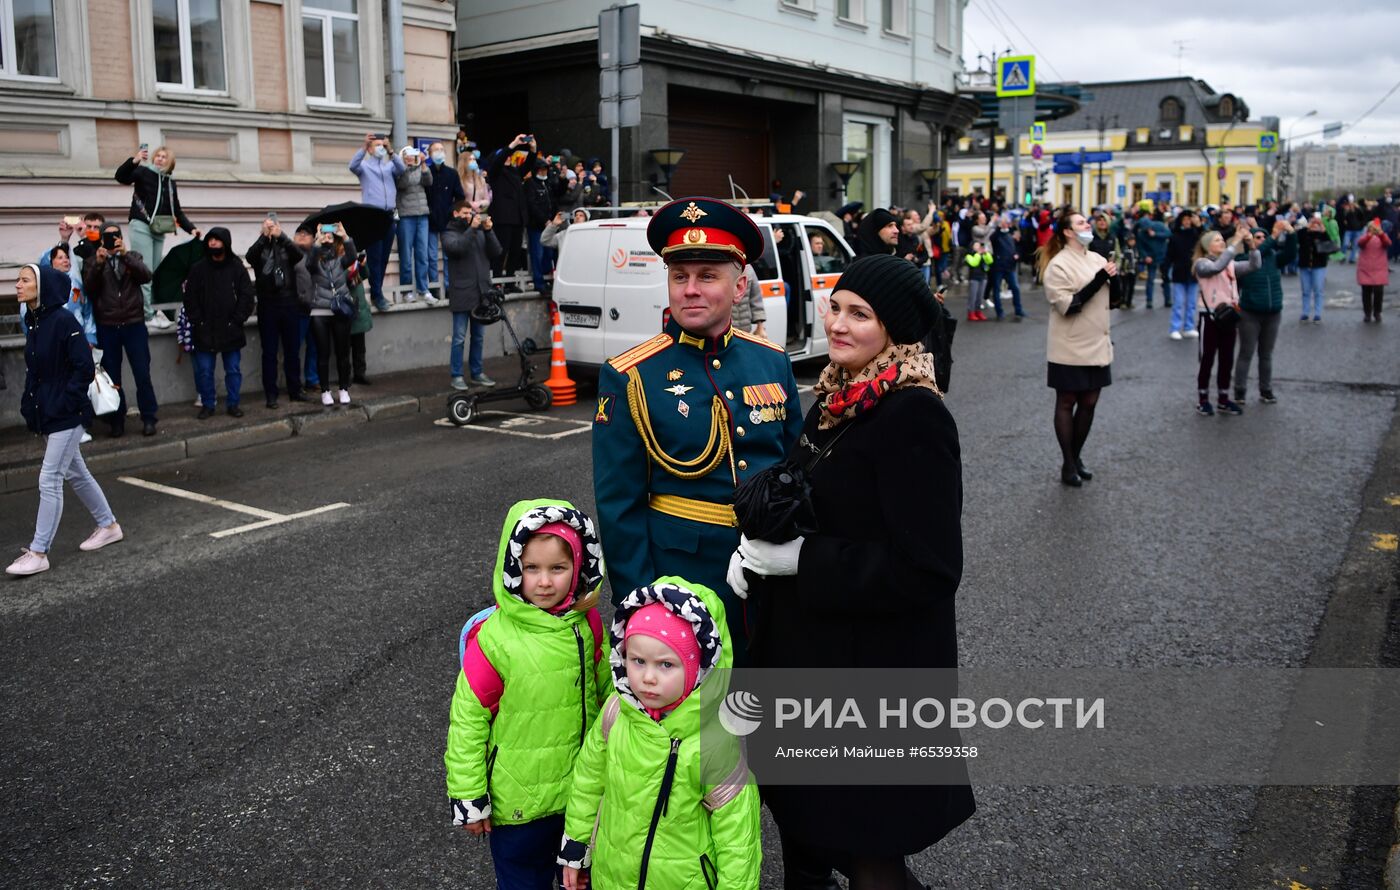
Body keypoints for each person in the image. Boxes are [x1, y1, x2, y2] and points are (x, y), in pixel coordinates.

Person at [729, 252, 973, 889]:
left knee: (869, 855)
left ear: (894, 331)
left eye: (859, 314)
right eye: (835, 306)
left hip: (871, 677)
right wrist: (760, 542)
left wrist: (801, 560)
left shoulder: (913, 415)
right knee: (813, 830)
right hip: (821, 660)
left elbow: (930, 569)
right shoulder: (843, 393)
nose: (837, 323)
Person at [591, 197, 803, 665]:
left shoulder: (770, 361)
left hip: (771, 579)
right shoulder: (631, 376)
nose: (690, 289)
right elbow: (619, 508)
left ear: (740, 285)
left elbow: (796, 470)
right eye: (679, 276)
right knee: (697, 733)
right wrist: (640, 609)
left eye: (708, 276)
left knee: (775, 716)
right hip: (684, 586)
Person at [446, 499, 608, 890]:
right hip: (518, 807)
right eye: (531, 568)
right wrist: (469, 796)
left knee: (583, 881)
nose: (544, 581)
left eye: (558, 568)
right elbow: (468, 719)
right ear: (513, 566)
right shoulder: (495, 640)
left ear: (579, 568)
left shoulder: (587, 626)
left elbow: (607, 699)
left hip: (580, 800)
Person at [557, 577, 760, 890]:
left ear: (699, 669)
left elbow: (738, 840)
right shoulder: (616, 713)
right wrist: (575, 847)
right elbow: (588, 781)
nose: (648, 678)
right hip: (612, 876)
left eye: (666, 665)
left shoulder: (715, 744)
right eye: (638, 661)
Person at [9, 266, 122, 577]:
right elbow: (38, 372)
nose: (17, 285)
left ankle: (39, 551)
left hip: (67, 414)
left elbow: (84, 367)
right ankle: (109, 525)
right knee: (76, 472)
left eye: (24, 280)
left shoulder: (62, 320)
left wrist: (65, 400)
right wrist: (31, 404)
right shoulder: (35, 321)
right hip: (50, 412)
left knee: (49, 478)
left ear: (42, 287)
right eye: (18, 280)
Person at [1040, 209, 1115, 487]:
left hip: (1097, 341)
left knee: (1089, 403)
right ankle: (1068, 463)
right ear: (1068, 232)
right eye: (1081, 223)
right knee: (1067, 401)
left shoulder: (1096, 258)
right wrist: (1099, 279)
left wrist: (1115, 278)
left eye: (1087, 222)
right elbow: (1069, 306)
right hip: (1069, 345)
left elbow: (1113, 300)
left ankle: (1076, 456)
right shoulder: (1058, 265)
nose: (1088, 226)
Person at [83, 223, 158, 438]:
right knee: (113, 377)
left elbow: (146, 276)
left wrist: (125, 255)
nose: (112, 239)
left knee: (142, 373)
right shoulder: (93, 261)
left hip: (134, 324)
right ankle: (117, 421)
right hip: (108, 326)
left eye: (115, 235)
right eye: (107, 236)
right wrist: (98, 264)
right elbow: (90, 289)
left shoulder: (133, 256)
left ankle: (149, 418)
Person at [115, 146, 200, 329]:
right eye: (158, 156)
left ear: (170, 162)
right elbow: (121, 177)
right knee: (143, 269)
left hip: (159, 229)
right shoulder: (143, 172)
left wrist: (191, 229)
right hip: (141, 225)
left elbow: (177, 211)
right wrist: (134, 160)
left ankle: (151, 309)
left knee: (152, 272)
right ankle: (147, 314)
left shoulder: (170, 183)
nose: (160, 159)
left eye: (164, 157)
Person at [183, 227, 255, 419]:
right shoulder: (198, 268)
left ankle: (233, 404)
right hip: (205, 330)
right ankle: (208, 404)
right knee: (205, 371)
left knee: (233, 370)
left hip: (231, 329)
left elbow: (247, 295)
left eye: (217, 240)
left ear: (226, 243)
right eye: (210, 240)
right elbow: (190, 298)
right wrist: (198, 322)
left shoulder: (236, 267)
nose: (213, 243)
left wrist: (237, 320)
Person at [1193, 228, 1258, 416]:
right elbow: (1215, 268)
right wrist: (1234, 243)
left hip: (1229, 316)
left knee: (1227, 358)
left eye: (1222, 240)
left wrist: (1251, 245)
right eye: (1217, 240)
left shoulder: (1229, 263)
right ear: (1207, 246)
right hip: (1210, 317)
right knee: (1207, 359)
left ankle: (1223, 398)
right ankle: (1203, 399)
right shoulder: (1201, 263)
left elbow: (1254, 265)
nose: (1221, 242)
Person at [246, 216, 307, 408]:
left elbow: (298, 255)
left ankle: (295, 390)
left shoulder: (286, 247)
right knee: (269, 353)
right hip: (268, 305)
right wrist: (263, 238)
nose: (272, 228)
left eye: (274, 225)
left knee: (292, 351)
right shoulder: (260, 249)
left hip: (289, 303)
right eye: (268, 226)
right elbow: (249, 257)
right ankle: (270, 394)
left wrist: (283, 237)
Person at [442, 201, 502, 390]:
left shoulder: (478, 232)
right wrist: (473, 229)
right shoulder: (448, 233)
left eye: (471, 213)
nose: (469, 216)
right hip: (461, 293)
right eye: (465, 213)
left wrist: (488, 230)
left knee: (478, 337)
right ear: (455, 213)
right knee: (459, 337)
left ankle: (477, 373)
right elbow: (457, 248)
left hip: (481, 294)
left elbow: (496, 252)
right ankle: (457, 375)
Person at [1234, 223, 1295, 405]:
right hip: (1249, 313)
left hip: (1273, 313)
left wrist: (1291, 233)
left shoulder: (1274, 258)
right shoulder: (1244, 258)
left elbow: (1292, 253)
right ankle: (1240, 391)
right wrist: (1273, 236)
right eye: (1257, 237)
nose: (1262, 240)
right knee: (1246, 353)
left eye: (1264, 237)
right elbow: (1257, 254)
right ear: (1249, 242)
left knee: (1266, 354)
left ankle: (1266, 390)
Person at [348, 133, 405, 311]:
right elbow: (353, 166)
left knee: (384, 258)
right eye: (377, 145)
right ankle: (377, 295)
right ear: (371, 149)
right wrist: (364, 147)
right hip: (372, 216)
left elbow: (402, 169)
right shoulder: (365, 167)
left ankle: (376, 293)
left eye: (382, 144)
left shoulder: (389, 167)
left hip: (389, 215)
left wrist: (390, 151)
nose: (380, 147)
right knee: (374, 257)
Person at [305, 223, 358, 406]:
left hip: (340, 311)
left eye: (329, 236)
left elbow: (352, 257)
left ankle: (344, 388)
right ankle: (325, 390)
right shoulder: (314, 260)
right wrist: (317, 242)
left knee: (343, 353)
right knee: (323, 353)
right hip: (320, 311)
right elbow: (309, 263)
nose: (327, 238)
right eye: (323, 236)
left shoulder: (340, 259)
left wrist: (344, 235)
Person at [484, 135, 533, 284]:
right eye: (506, 156)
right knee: (501, 251)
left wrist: (533, 149)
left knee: (515, 251)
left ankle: (511, 282)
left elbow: (528, 165)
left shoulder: (514, 172)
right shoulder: (495, 172)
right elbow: (499, 160)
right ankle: (497, 281)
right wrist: (513, 144)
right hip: (502, 218)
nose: (508, 158)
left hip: (517, 218)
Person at [394, 145, 435, 304]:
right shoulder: (399, 170)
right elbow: (402, 185)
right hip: (405, 216)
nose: (411, 157)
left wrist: (423, 164)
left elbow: (428, 181)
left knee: (422, 255)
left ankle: (423, 290)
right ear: (402, 157)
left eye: (413, 154)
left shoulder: (420, 168)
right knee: (405, 256)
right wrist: (406, 167)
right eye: (407, 155)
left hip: (422, 215)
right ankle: (406, 291)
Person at [425, 141, 466, 291]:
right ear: (429, 154)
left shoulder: (452, 173)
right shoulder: (426, 172)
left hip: (448, 221)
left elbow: (460, 196)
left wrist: (454, 213)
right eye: (436, 150)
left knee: (449, 255)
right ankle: (435, 287)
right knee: (432, 256)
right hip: (430, 221)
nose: (439, 152)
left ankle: (449, 286)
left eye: (442, 149)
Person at [524, 157, 558, 294]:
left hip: (549, 225)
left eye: (545, 169)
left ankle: (546, 279)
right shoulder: (530, 184)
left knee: (548, 254)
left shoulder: (548, 184)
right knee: (537, 254)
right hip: (536, 226)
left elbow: (553, 201)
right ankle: (539, 282)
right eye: (541, 169)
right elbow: (532, 205)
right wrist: (544, 220)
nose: (544, 172)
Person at [1166, 210, 1202, 340]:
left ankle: (1189, 327)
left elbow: (1206, 237)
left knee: (1192, 303)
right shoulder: (1175, 236)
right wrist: (1165, 270)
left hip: (1193, 272)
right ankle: (1175, 328)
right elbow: (1169, 255)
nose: (1187, 222)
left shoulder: (1196, 234)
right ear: (1181, 221)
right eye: (1184, 219)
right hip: (1179, 272)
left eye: (1189, 219)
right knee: (1179, 302)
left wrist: (1199, 225)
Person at [988, 215, 1027, 321]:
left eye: (1007, 222)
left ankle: (1018, 309)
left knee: (1015, 288)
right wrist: (998, 227)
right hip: (998, 266)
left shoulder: (1010, 234)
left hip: (1010, 266)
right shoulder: (996, 235)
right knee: (996, 289)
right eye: (1004, 222)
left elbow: (1016, 247)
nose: (1006, 224)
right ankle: (999, 312)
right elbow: (992, 238)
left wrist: (1016, 255)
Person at [1295, 215, 1332, 323]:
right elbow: (1298, 235)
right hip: (1305, 265)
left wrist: (1321, 226)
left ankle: (1317, 313)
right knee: (1305, 291)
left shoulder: (1322, 235)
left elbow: (1329, 243)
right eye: (1313, 224)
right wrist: (1309, 225)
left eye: (1316, 224)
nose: (1314, 226)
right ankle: (1305, 313)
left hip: (1319, 266)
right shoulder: (1304, 234)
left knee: (1318, 290)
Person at [1356, 218, 1391, 323]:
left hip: (1379, 268)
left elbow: (1388, 243)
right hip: (1366, 268)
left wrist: (1381, 234)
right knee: (1366, 292)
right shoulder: (1365, 236)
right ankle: (1367, 313)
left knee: (1378, 292)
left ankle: (1377, 312)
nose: (1374, 229)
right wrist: (1369, 235)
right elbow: (1360, 243)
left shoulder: (1382, 237)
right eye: (1371, 228)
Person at [964, 240, 992, 322]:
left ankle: (978, 311)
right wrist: (978, 254)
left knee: (980, 296)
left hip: (983, 277)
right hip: (974, 278)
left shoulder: (982, 254)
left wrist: (986, 254)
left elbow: (990, 261)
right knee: (973, 297)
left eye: (979, 245)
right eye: (976, 245)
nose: (978, 247)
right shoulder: (968, 255)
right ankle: (971, 312)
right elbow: (974, 263)